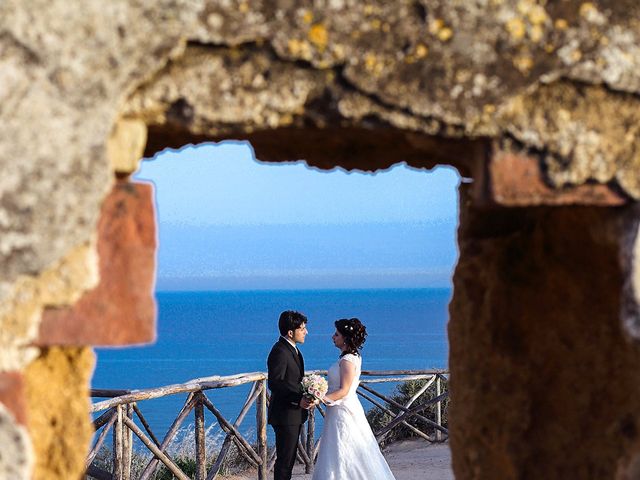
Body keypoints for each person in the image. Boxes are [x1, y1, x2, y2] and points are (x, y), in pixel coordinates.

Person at [312, 318, 396, 480]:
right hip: (337, 409)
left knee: (344, 450)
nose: (333, 337)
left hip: (343, 411)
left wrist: (319, 398)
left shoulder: (347, 360)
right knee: (337, 449)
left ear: (346, 338)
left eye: (336, 334)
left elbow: (344, 390)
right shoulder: (348, 358)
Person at [267, 310, 314, 480]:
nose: (306, 332)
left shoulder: (293, 350)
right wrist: (298, 399)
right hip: (285, 414)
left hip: (293, 414)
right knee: (285, 463)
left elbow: (294, 380)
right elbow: (275, 382)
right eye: (302, 329)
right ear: (290, 332)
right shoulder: (280, 351)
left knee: (289, 460)